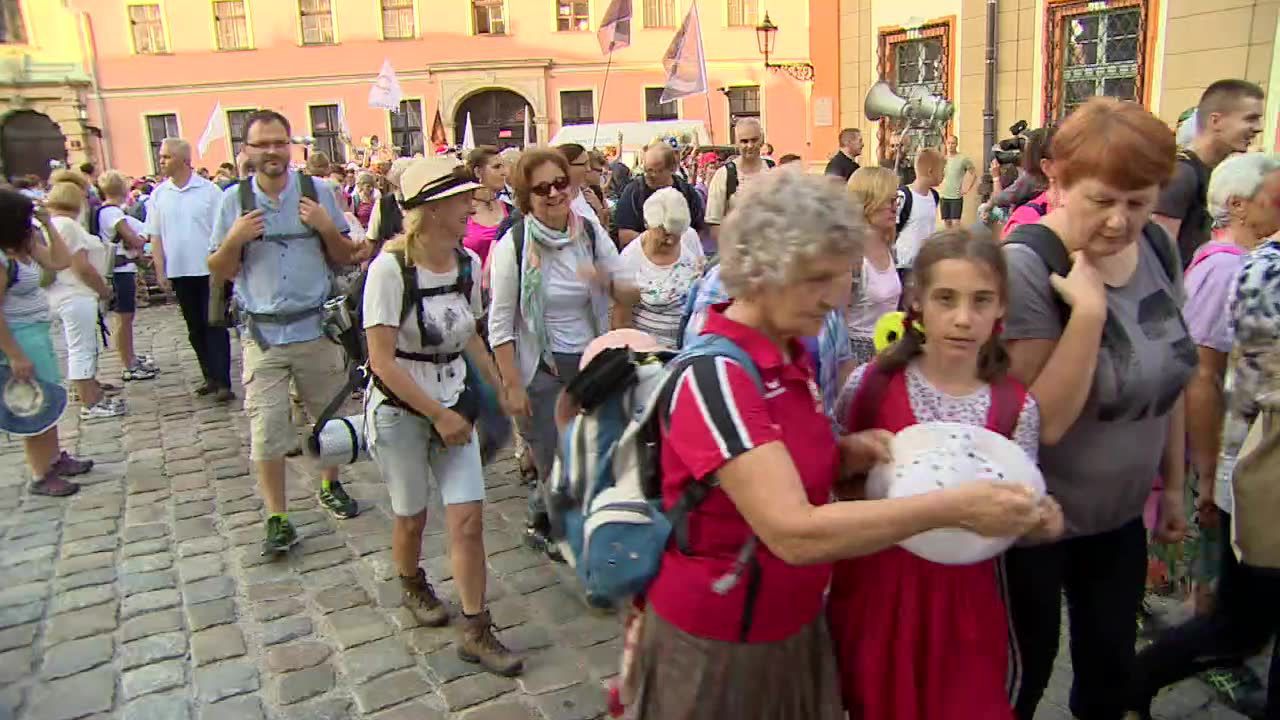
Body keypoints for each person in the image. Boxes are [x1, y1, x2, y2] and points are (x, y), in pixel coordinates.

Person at [632, 169, 1044, 719]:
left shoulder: (789, 356)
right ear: (761, 272)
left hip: (791, 626)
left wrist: (843, 455)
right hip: (719, 642)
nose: (834, 297)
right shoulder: (716, 375)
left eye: (842, 276)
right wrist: (951, 507)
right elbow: (794, 532)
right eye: (816, 278)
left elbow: (783, 469)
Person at [1001, 98, 1195, 720]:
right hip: (1034, 524)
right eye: (1102, 200)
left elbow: (1172, 375)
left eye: (1138, 202)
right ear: (1055, 178)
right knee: (1025, 678)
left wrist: (1171, 486)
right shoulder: (1028, 266)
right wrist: (1086, 314)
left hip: (1118, 520)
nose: (1120, 221)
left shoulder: (1158, 252)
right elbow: (1039, 421)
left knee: (1109, 677)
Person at [830, 228, 1063, 720]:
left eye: (981, 300)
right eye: (945, 299)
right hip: (875, 598)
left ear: (1002, 307)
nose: (963, 318)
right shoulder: (869, 388)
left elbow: (1017, 506)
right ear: (917, 303)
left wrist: (1038, 521)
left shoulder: (1014, 407)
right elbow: (839, 490)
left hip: (967, 607)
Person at [1125, 153, 1280, 720]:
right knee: (1235, 618)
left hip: (1243, 460)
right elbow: (1202, 374)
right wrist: (1202, 474)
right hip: (1253, 465)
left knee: (1239, 618)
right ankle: (1140, 680)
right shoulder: (1241, 268)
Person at [363, 157, 522, 676]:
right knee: (411, 515)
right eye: (460, 200)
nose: (470, 208)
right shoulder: (389, 270)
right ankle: (410, 580)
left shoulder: (465, 265)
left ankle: (476, 628)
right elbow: (381, 360)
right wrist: (435, 415)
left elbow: (470, 332)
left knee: (468, 519)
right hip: (401, 410)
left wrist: (498, 388)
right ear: (430, 210)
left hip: (454, 400)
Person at [206, 109, 364, 555]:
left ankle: (330, 485)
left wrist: (326, 227)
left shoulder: (319, 192)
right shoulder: (231, 202)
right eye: (263, 145)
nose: (273, 152)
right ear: (248, 151)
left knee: (329, 421)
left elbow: (344, 256)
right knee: (267, 431)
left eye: (279, 142)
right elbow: (217, 269)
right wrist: (235, 238)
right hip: (264, 337)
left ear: (290, 146)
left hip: (316, 330)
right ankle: (277, 516)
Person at [487, 148, 637, 554]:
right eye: (542, 189)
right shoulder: (512, 246)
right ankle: (565, 535)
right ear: (525, 196)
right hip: (542, 366)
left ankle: (558, 516)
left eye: (560, 183)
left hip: (591, 363)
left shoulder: (587, 234)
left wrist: (603, 279)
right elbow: (500, 324)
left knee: (593, 452)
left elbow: (631, 290)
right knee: (553, 457)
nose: (554, 194)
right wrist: (512, 385)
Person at [0, 190, 93, 495]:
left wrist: (48, 225)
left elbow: (60, 260)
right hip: (20, 335)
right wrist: (14, 354)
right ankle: (41, 473)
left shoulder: (24, 248)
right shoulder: (3, 260)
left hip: (37, 332)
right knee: (33, 404)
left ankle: (53, 459)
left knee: (49, 397)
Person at [146, 137, 232, 400]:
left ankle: (223, 380)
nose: (162, 162)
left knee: (214, 324)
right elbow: (156, 236)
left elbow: (223, 233)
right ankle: (209, 375)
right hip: (181, 271)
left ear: (184, 160)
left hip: (209, 271)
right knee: (194, 328)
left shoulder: (209, 192)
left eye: (166, 157)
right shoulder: (160, 194)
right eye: (160, 157)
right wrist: (160, 270)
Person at [1153, 79, 1264, 269]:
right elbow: (1157, 259)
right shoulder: (1182, 174)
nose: (1259, 127)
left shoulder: (1215, 173)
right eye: (1250, 118)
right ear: (1216, 121)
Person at [43, 182, 121, 420]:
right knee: (82, 348)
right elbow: (81, 266)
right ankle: (90, 401)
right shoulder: (69, 226)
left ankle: (84, 390)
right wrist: (103, 289)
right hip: (76, 293)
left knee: (75, 346)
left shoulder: (52, 225)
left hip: (60, 293)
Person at [615, 187, 705, 348]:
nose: (670, 241)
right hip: (650, 354)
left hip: (687, 348)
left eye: (676, 235)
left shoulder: (689, 237)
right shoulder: (630, 260)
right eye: (664, 234)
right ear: (647, 224)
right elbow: (621, 322)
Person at [95, 170, 157, 382]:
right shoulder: (114, 214)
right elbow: (135, 240)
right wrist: (143, 236)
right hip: (120, 271)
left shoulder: (106, 211)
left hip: (122, 269)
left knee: (125, 318)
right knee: (124, 319)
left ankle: (129, 357)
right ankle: (128, 362)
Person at [845, 167, 903, 364]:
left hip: (889, 351)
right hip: (858, 356)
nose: (895, 208)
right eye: (889, 201)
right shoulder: (852, 256)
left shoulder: (889, 247)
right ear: (868, 203)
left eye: (897, 200)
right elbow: (836, 325)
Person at [614, 143, 704, 246]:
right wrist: (659, 243)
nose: (650, 175)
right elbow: (625, 235)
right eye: (647, 170)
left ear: (672, 168)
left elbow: (699, 230)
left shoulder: (687, 192)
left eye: (657, 170)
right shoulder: (633, 192)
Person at [706, 118, 772, 245]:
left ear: (762, 140)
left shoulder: (772, 169)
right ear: (736, 143)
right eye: (744, 141)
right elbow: (714, 225)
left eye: (754, 140)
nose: (750, 145)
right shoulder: (724, 175)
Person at [895, 148, 944, 270]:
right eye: (942, 171)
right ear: (930, 171)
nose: (944, 175)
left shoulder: (934, 196)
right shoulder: (903, 196)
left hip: (926, 264)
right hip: (905, 265)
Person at [464, 146, 510, 266]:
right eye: (497, 167)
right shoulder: (461, 213)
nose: (504, 172)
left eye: (504, 166)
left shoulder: (511, 210)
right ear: (478, 172)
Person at [939, 136, 977, 228]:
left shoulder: (963, 159)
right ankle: (948, 242)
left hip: (956, 196)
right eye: (949, 143)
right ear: (946, 145)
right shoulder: (943, 159)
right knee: (947, 223)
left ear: (956, 144)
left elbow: (973, 173)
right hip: (944, 195)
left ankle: (957, 242)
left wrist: (967, 188)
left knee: (956, 223)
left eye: (953, 143)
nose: (950, 145)